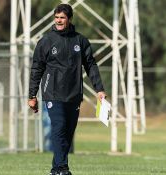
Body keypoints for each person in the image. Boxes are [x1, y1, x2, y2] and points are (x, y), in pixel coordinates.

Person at [28, 4, 106, 175]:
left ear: (69, 19)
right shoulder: (46, 41)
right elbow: (36, 69)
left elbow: (91, 65)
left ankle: (56, 170)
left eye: (62, 18)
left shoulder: (81, 41)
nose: (59, 21)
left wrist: (99, 89)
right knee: (59, 127)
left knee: (68, 132)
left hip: (74, 94)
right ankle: (63, 168)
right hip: (53, 93)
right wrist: (32, 95)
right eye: (56, 18)